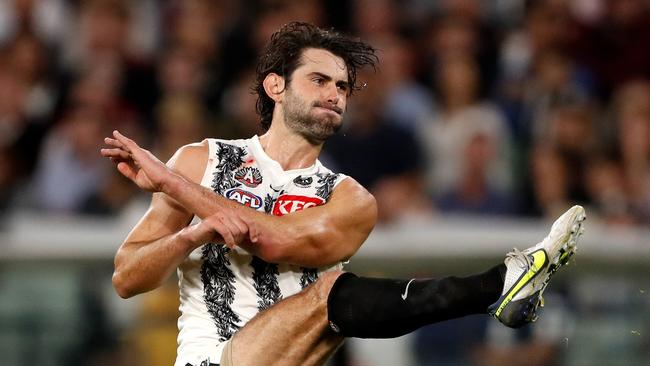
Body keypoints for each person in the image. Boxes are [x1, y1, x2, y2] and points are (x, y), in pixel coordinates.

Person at [100, 22, 586, 366]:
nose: (335, 94)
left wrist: (173, 186)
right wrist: (189, 236)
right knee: (327, 293)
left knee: (328, 297)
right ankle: (497, 285)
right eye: (319, 80)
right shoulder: (200, 160)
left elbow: (272, 239)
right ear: (276, 86)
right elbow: (127, 277)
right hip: (213, 359)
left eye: (343, 87)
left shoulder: (351, 200)